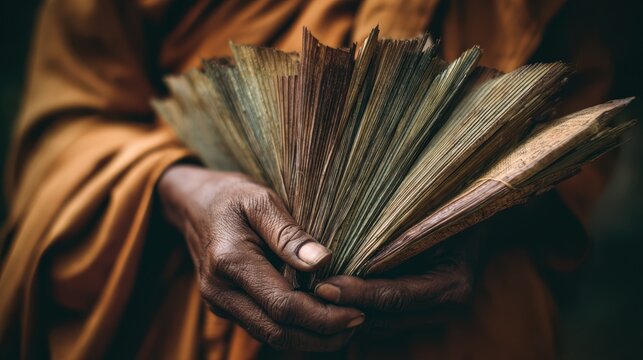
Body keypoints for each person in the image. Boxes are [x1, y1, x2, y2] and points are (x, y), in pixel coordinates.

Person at [0, 0, 619, 358]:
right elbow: (66, 130)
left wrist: (477, 226)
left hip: (465, 330)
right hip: (188, 320)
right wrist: (183, 193)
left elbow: (571, 148)